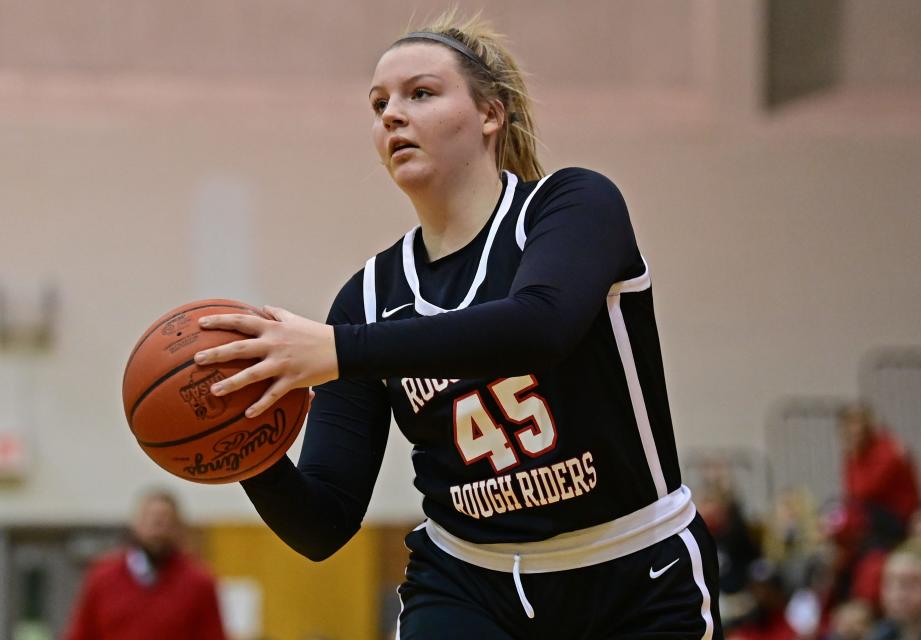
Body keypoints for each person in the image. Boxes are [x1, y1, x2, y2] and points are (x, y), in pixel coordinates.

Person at [194, 12, 723, 639]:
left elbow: (539, 327)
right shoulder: (365, 299)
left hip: (635, 572)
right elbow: (323, 523)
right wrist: (244, 445)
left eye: (420, 93)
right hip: (469, 582)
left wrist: (340, 350)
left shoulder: (571, 206)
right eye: (378, 103)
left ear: (490, 114)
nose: (392, 114)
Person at [63, 489, 226, 640]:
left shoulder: (199, 583)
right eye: (151, 519)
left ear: (178, 527)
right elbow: (81, 635)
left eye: (165, 520)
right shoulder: (102, 578)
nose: (158, 527)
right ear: (136, 524)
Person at [839, 403, 920, 537]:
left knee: (859, 517)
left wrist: (854, 456)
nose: (853, 430)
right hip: (877, 515)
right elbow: (850, 493)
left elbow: (865, 490)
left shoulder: (887, 449)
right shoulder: (853, 454)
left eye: (856, 423)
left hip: (898, 517)